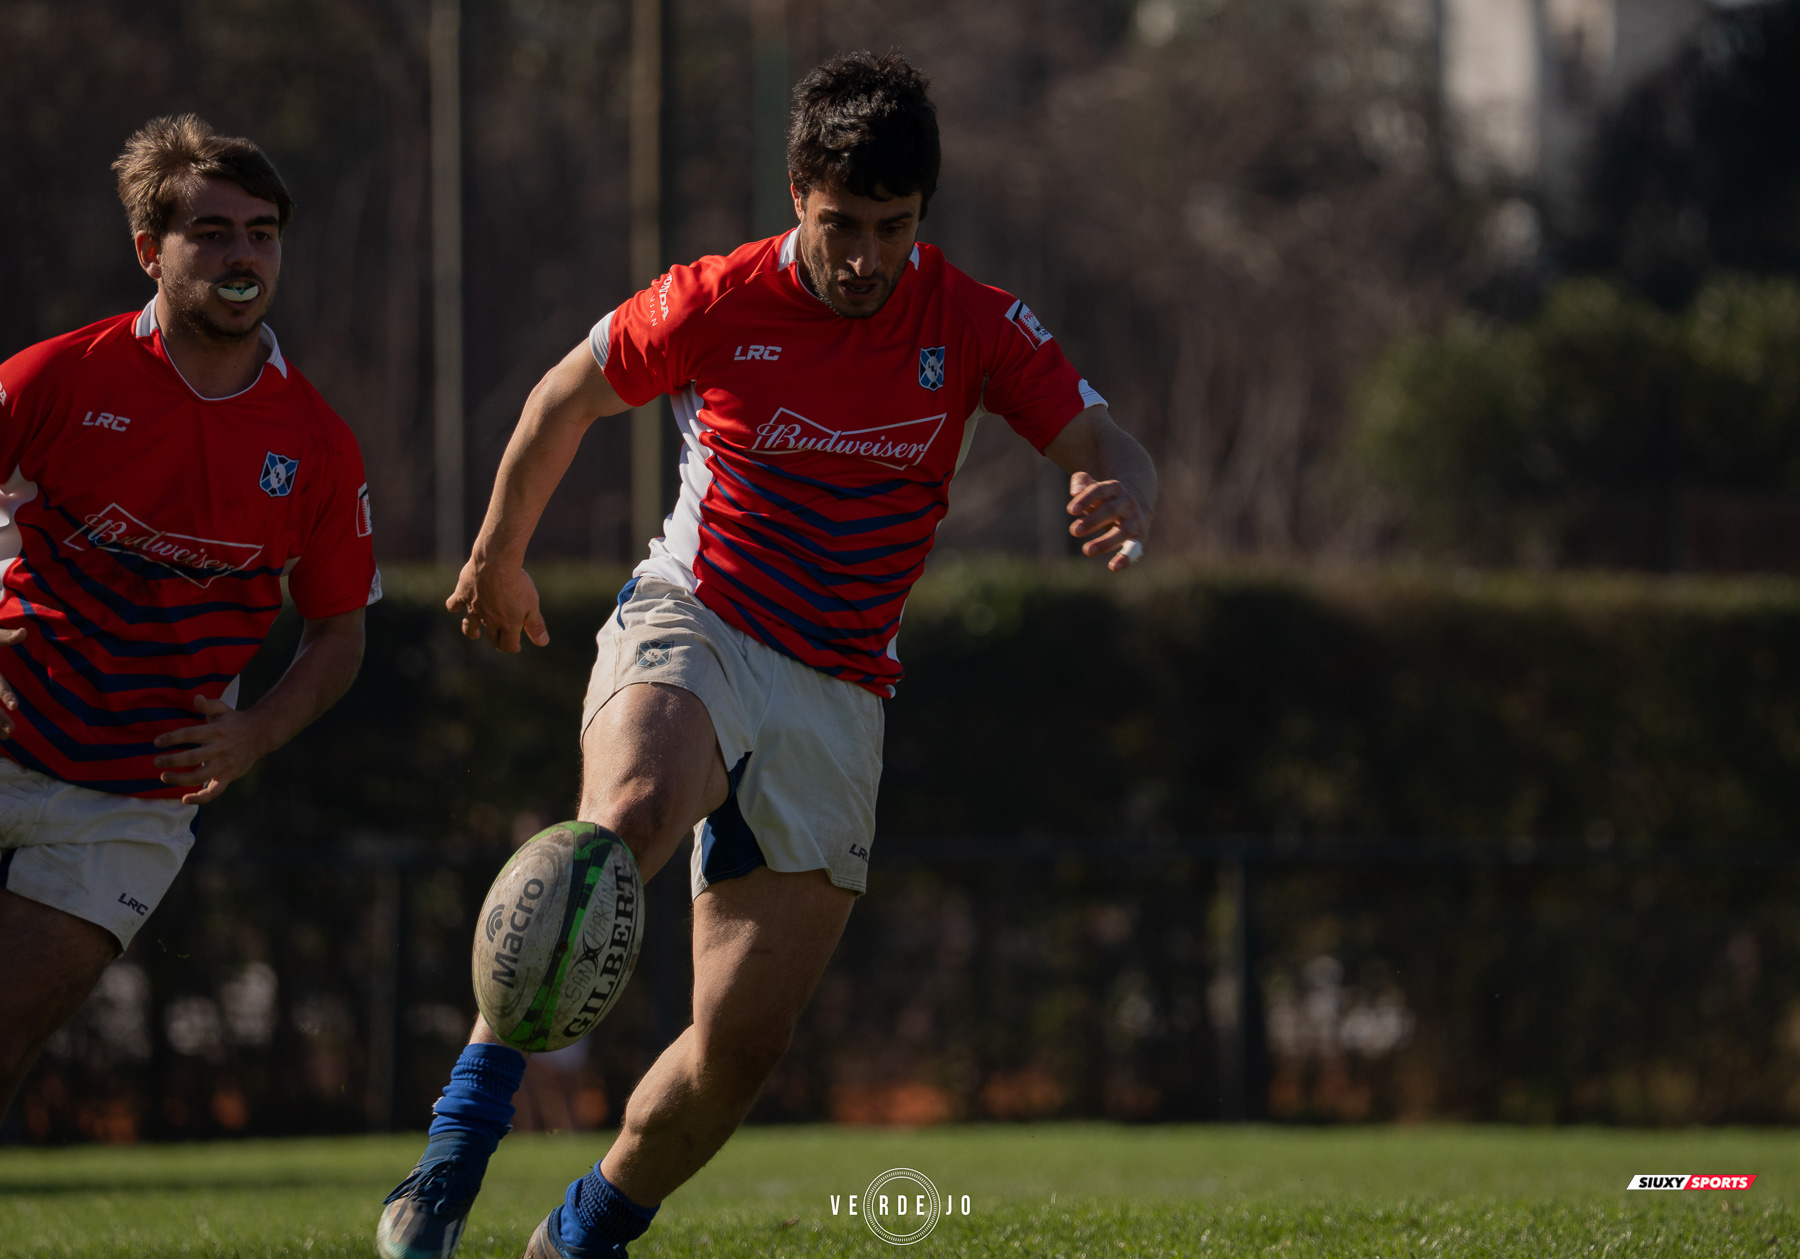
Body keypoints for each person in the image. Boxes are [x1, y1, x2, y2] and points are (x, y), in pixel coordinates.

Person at [378, 51, 1156, 1259]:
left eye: (892, 227)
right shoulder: (714, 298)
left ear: (923, 213)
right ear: (798, 194)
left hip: (842, 688)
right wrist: (497, 557)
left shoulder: (975, 321)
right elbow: (564, 397)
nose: (865, 258)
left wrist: (1122, 486)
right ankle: (453, 1149)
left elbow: (1108, 438)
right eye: (841, 225)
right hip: (701, 617)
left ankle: (578, 1236)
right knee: (622, 823)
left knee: (740, 1048)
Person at [0, 116, 380, 1116]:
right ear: (149, 251)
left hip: (134, 797)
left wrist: (258, 731)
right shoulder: (55, 377)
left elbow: (339, 631)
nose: (242, 256)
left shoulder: (319, 445)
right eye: (211, 234)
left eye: (262, 233)